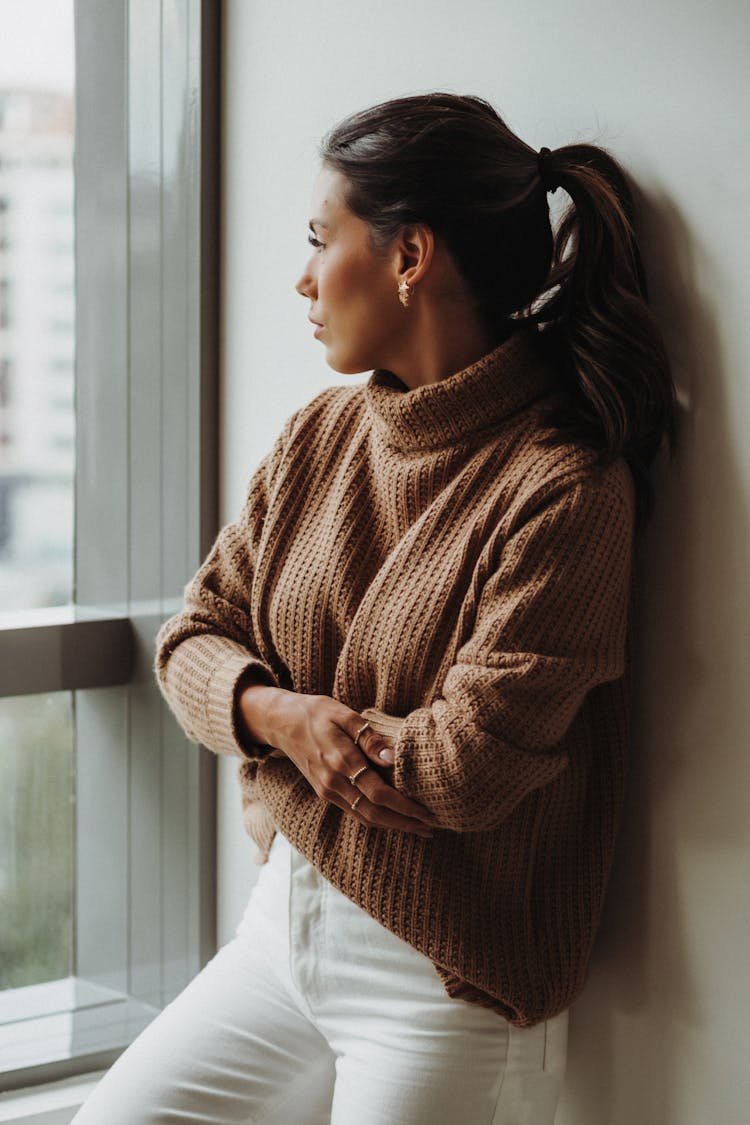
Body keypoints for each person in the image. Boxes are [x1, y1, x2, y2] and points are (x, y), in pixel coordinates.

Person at [72, 92, 675, 1125]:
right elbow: (191, 641)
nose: (301, 278)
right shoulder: (322, 435)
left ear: (411, 257)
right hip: (277, 937)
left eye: (320, 239)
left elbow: (463, 771)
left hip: (438, 981)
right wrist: (284, 719)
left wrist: (273, 765)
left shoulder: (563, 489)